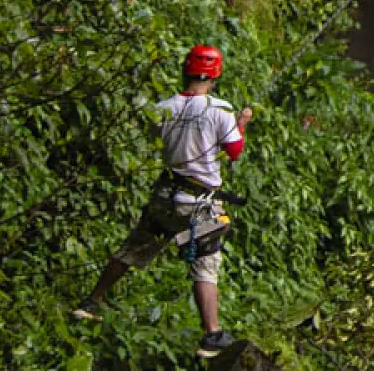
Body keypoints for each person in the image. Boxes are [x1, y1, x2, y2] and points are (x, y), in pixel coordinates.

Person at [72, 44, 254, 358]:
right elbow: (234, 152)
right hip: (199, 203)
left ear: (185, 70)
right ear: (216, 74)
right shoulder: (220, 110)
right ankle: (211, 334)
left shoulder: (162, 108)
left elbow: (163, 141)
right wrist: (241, 124)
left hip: (166, 197)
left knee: (134, 248)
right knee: (206, 265)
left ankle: (91, 302)